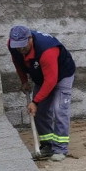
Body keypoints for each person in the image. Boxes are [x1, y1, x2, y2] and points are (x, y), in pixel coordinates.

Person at [7, 25, 76, 161]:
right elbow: (17, 63)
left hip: (62, 76)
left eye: (23, 46)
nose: (20, 49)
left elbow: (51, 80)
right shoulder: (13, 45)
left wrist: (35, 101)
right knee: (40, 112)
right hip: (41, 76)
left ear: (30, 39)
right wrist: (24, 81)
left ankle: (60, 149)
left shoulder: (47, 50)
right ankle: (47, 145)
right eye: (17, 46)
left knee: (59, 109)